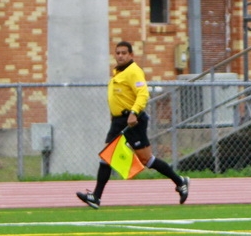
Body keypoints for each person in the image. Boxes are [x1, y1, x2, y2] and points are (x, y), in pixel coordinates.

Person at [77, 41, 189, 208]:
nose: (120, 55)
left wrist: (134, 112)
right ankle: (96, 197)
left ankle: (180, 181)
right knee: (107, 156)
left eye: (124, 53)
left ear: (131, 55)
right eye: (118, 53)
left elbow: (142, 94)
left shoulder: (134, 71)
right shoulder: (118, 72)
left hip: (132, 121)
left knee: (146, 159)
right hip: (119, 121)